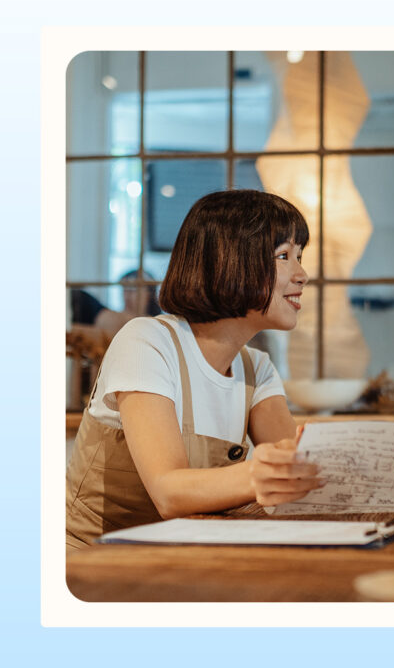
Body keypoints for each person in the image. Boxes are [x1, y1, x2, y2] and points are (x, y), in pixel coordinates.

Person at [66, 190, 324, 551]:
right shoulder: (146, 342)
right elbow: (169, 492)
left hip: (186, 561)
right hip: (94, 565)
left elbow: (297, 474)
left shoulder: (256, 368)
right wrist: (266, 472)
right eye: (284, 256)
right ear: (229, 261)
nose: (302, 274)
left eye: (300, 256)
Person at [71, 269, 162, 336]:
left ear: (148, 294)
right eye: (125, 290)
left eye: (132, 290)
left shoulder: (150, 323)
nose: (127, 296)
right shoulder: (119, 315)